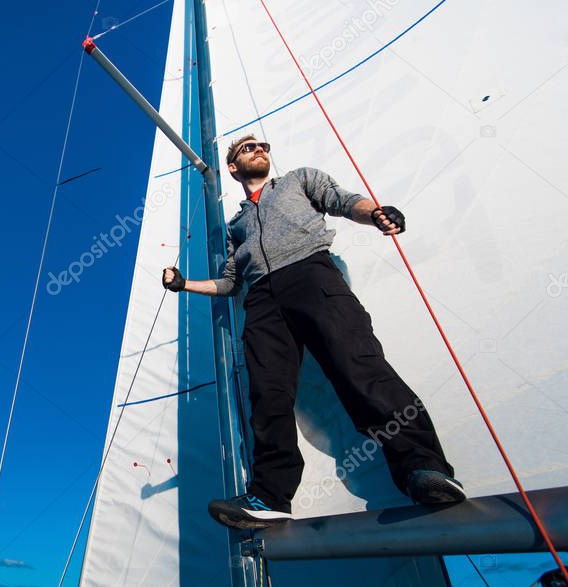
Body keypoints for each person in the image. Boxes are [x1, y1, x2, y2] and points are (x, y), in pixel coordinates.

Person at [162, 135, 464, 529]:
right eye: (248, 148)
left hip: (312, 274)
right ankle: (269, 497)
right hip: (262, 300)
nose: (260, 150)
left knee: (359, 368)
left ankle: (424, 468)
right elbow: (231, 282)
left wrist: (374, 213)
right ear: (233, 167)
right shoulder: (236, 225)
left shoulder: (299, 180)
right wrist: (184, 284)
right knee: (267, 396)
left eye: (263, 147)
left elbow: (342, 200)